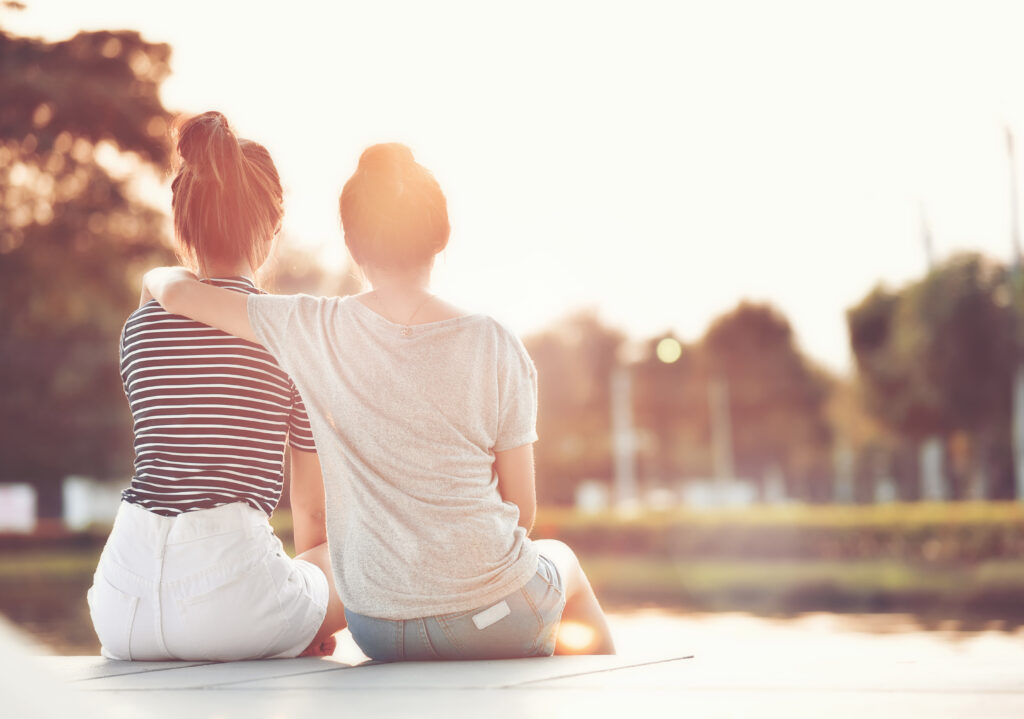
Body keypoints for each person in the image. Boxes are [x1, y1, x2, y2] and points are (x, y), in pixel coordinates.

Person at [140, 142, 615, 660]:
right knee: (560, 559)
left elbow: (182, 296)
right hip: (495, 616)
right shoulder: (495, 341)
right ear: (442, 235)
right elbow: (522, 509)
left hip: (380, 627)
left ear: (350, 242)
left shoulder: (311, 326)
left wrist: (155, 276)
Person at [88, 112, 346, 661]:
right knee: (359, 556)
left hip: (121, 608)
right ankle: (289, 628)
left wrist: (159, 280)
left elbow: (157, 296)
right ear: (272, 226)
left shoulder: (139, 329)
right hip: (231, 606)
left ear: (183, 225)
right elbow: (313, 516)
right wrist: (306, 615)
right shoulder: (290, 334)